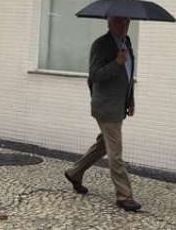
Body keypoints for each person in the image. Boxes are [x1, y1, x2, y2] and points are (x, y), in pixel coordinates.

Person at [64, 15, 141, 212]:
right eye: (119, 21)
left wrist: (130, 100)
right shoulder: (101, 44)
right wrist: (116, 63)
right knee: (116, 153)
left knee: (103, 145)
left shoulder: (127, 42)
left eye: (127, 22)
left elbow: (129, 74)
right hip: (106, 107)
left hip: (118, 105)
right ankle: (124, 196)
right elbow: (95, 75)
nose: (124, 25)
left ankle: (75, 172)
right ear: (109, 22)